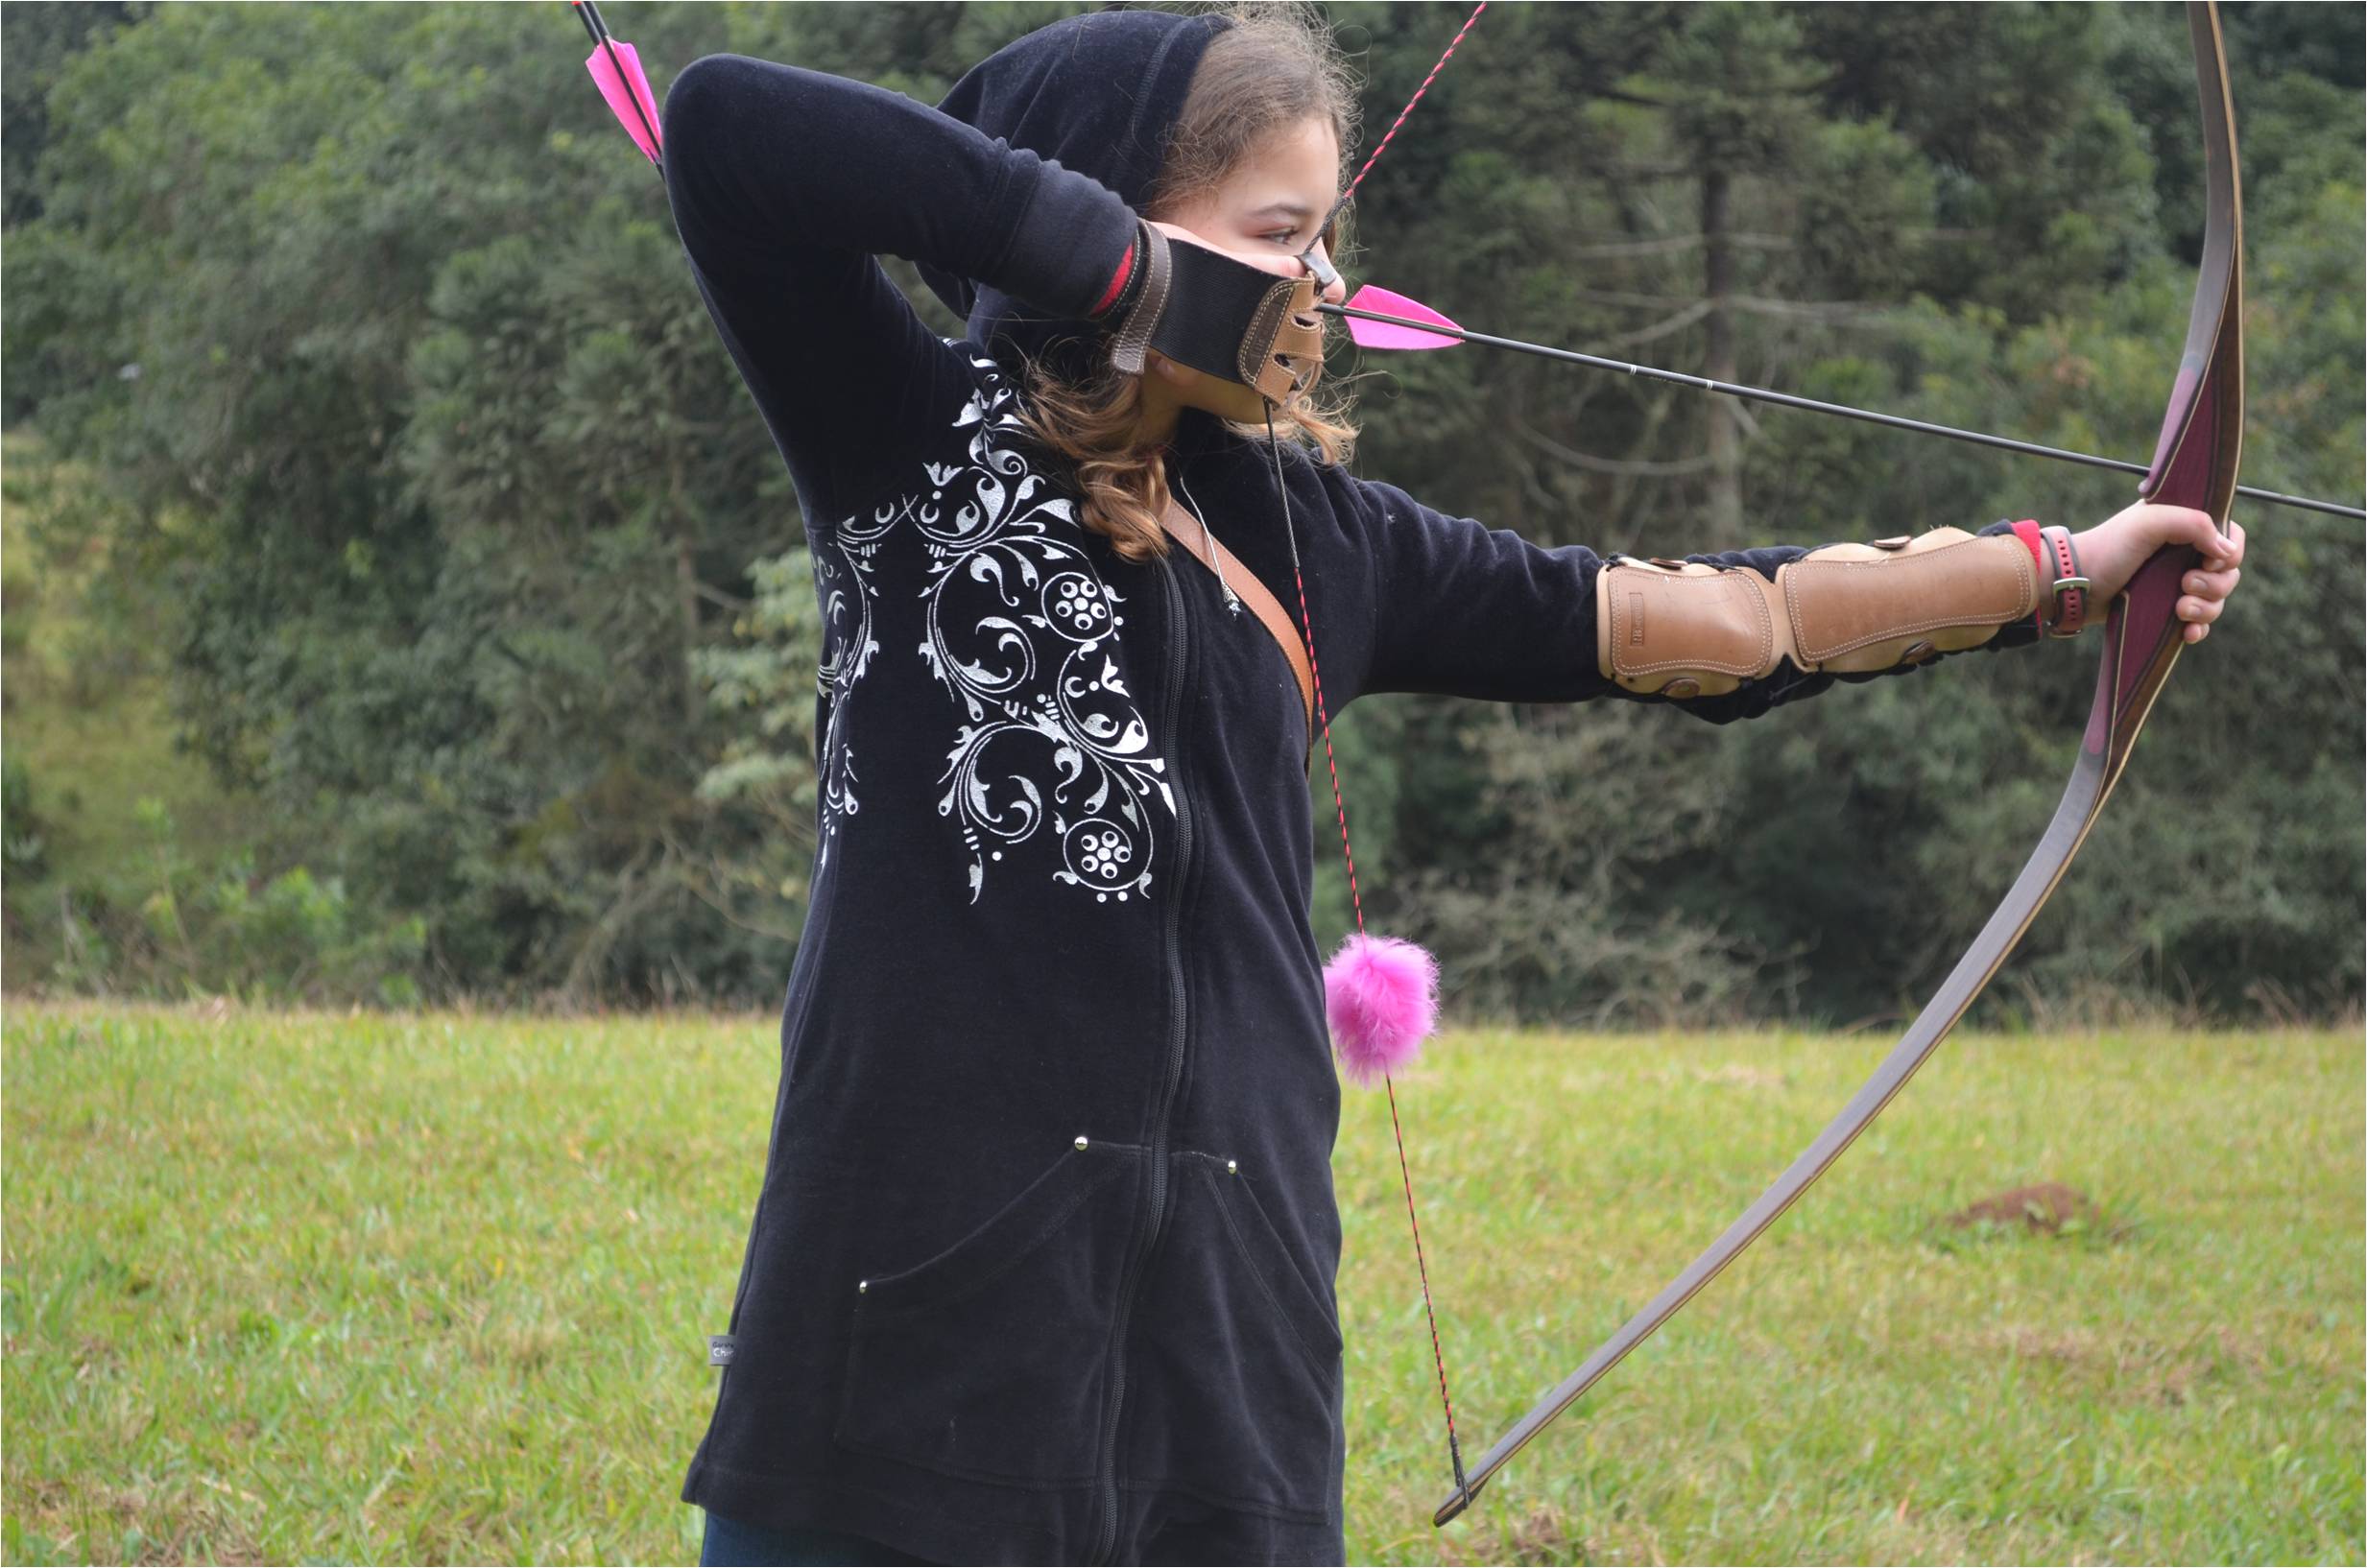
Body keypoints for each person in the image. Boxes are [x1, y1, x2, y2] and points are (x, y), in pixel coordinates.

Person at [658, 8, 2246, 1564]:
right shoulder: (907, 436)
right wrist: (1119, 271)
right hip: (914, 1300)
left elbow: (1715, 620)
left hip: (1229, 1328)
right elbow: (727, 127)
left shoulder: (1322, 539)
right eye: (1278, 235)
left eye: (1327, 237)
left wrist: (2063, 572)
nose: (1322, 286)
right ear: (1121, 224)